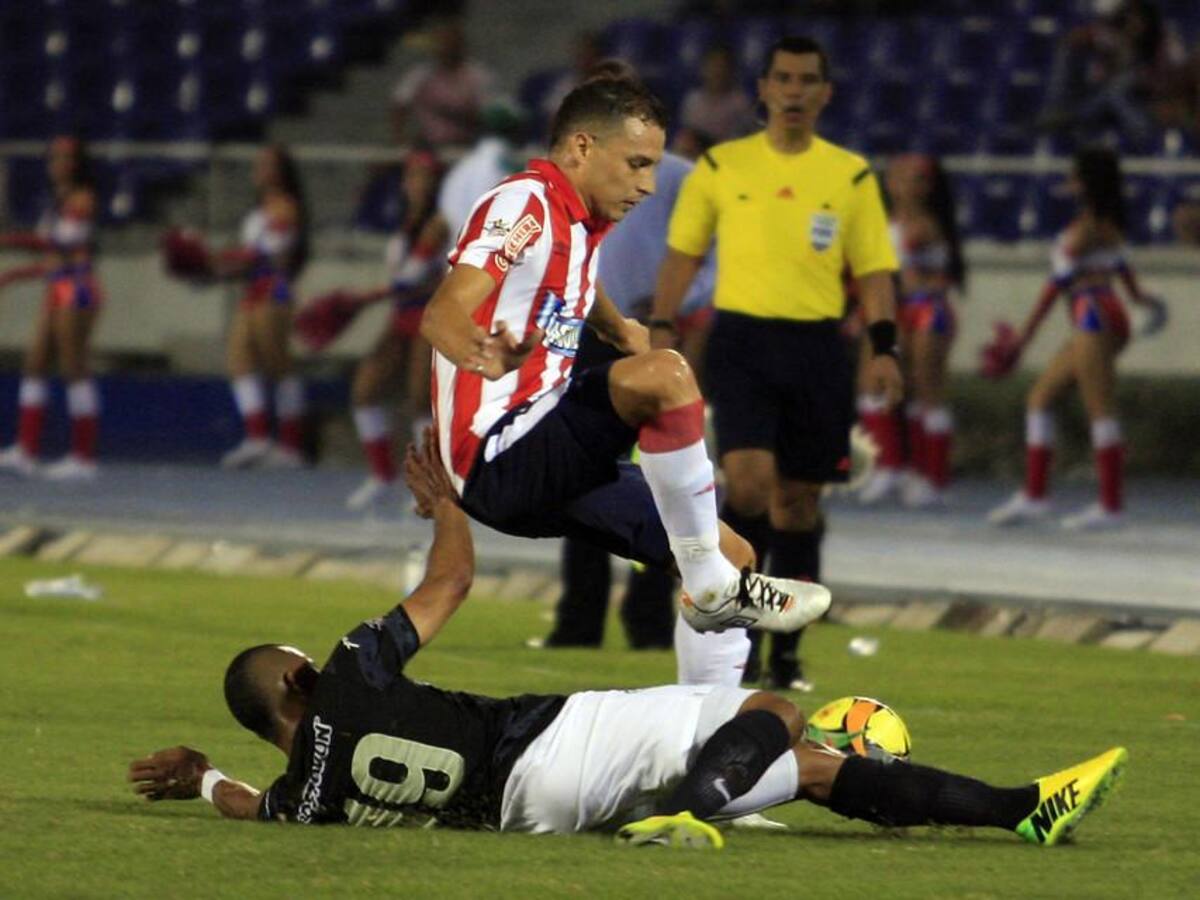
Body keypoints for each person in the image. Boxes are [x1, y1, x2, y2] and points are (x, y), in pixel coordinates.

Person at [127, 431, 1127, 848]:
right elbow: (453, 580)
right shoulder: (344, 673)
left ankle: (1018, 810)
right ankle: (698, 813)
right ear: (295, 679)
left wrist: (203, 773)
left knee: (813, 766)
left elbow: (251, 805)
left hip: (532, 819)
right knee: (770, 710)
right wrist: (443, 503)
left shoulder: (307, 797)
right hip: (548, 744)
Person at [420, 75, 830, 641]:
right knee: (666, 374)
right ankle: (709, 581)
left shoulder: (582, 224)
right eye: (637, 163)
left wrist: (617, 328)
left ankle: (712, 714)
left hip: (545, 461)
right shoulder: (524, 206)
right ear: (583, 147)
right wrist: (483, 353)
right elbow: (441, 314)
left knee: (735, 555)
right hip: (502, 450)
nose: (649, 184)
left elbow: (576, 287)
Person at [649, 36, 902, 692]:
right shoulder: (721, 167)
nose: (793, 91)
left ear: (825, 93)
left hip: (818, 347)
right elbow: (684, 254)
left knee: (798, 502)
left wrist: (885, 346)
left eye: (806, 81)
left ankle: (786, 652)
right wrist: (662, 325)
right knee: (750, 482)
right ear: (761, 89)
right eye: (782, 79)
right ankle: (742, 634)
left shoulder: (849, 175)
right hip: (743, 342)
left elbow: (874, 270)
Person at [531, 62, 718, 654]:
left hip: (650, 336)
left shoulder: (677, 178)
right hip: (582, 334)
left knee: (654, 480)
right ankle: (578, 622)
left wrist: (671, 309)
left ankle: (648, 621)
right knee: (579, 476)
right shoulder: (567, 191)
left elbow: (713, 260)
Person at [987, 148, 1162, 531]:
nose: (1069, 183)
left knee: (1100, 408)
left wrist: (1024, 337)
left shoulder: (1086, 229)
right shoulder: (1106, 224)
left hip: (1093, 314)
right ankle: (1035, 495)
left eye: (1076, 177)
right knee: (1040, 399)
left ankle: (1111, 505)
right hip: (1102, 311)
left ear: (1086, 182)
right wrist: (1139, 301)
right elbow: (1124, 272)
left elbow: (1054, 289)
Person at [857, 154, 966, 508]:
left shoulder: (924, 226)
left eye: (914, 178)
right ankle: (891, 464)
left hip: (926, 311)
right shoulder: (890, 222)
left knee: (925, 391)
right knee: (875, 383)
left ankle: (932, 475)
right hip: (899, 309)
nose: (901, 183)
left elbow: (897, 273)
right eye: (898, 175)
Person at [345, 150, 449, 510]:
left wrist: (363, 297)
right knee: (365, 389)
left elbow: (412, 275)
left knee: (420, 399)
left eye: (423, 177)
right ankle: (381, 475)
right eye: (411, 176)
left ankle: (432, 484)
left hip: (426, 315)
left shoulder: (438, 223)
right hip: (400, 314)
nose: (416, 184)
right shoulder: (403, 221)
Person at [0, 136, 104, 481]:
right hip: (59, 286)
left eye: (63, 157)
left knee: (74, 365)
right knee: (34, 363)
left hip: (78, 289)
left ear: (76, 163)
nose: (55, 163)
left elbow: (61, 243)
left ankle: (84, 457)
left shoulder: (82, 199)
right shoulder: (56, 202)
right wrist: (16, 274)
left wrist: (10, 240)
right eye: (53, 157)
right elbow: (51, 258)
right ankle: (26, 449)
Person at [391, 18, 493, 151]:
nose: (446, 49)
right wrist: (399, 138)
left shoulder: (478, 75)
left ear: (461, 46)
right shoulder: (421, 75)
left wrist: (456, 113)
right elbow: (399, 103)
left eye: (451, 44)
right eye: (442, 44)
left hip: (466, 144)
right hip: (429, 146)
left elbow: (487, 115)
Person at [679, 44, 755, 145]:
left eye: (722, 66)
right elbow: (687, 135)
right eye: (712, 66)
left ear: (730, 71)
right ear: (703, 69)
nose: (717, 71)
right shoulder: (693, 100)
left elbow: (745, 139)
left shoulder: (740, 103)